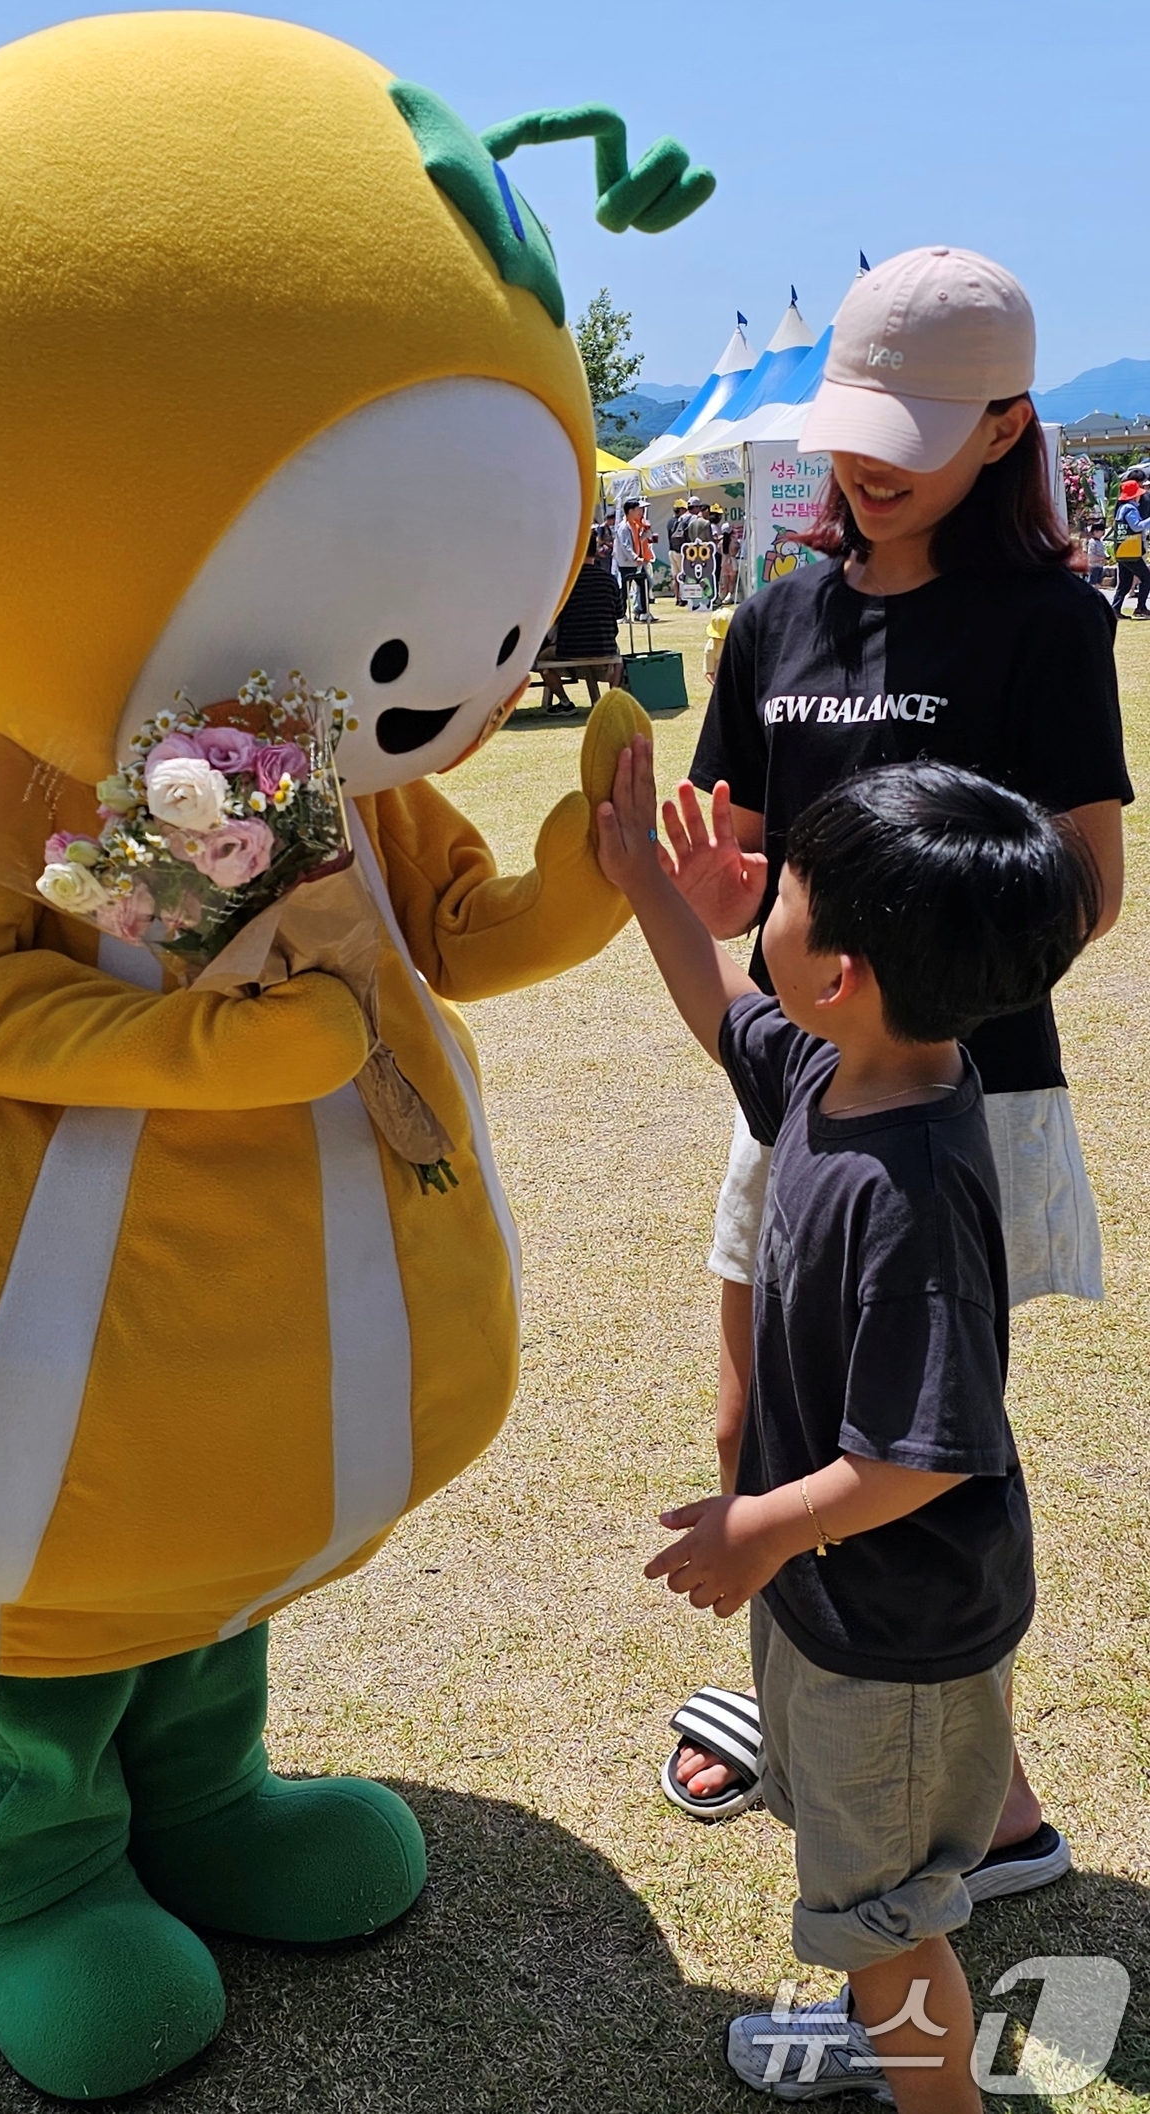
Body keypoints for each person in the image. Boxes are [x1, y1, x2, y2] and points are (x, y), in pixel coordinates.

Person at [667, 247, 1132, 1887]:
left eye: (919, 430)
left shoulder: (1048, 620)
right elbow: (735, 842)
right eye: (859, 419)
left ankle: (983, 1807)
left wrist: (925, 978)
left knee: (917, 1450)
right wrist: (726, 895)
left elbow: (1088, 874)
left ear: (1008, 431)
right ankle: (821, 1715)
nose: (873, 459)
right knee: (752, 1414)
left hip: (958, 1094)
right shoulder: (778, 612)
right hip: (799, 1076)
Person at [599, 742, 1098, 2111]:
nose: (764, 897)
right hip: (862, 1609)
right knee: (883, 1887)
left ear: (842, 975)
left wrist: (754, 1529)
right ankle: (894, 2026)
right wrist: (647, 881)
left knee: (885, 1922)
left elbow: (912, 1456)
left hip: (892, 1626)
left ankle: (927, 2078)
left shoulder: (915, 1187)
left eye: (789, 888)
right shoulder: (848, 1065)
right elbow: (722, 1009)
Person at [539, 556, 623, 711]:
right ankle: (612, 699)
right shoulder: (609, 579)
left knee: (541, 661)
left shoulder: (565, 581)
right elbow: (619, 613)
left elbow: (553, 615)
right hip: (604, 646)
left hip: (569, 647)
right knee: (619, 659)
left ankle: (565, 702)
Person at [1110, 479, 1150, 618]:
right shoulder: (1130, 508)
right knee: (1147, 578)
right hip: (1131, 551)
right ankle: (1141, 608)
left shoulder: (1121, 508)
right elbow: (1136, 526)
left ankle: (1115, 609)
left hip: (1122, 550)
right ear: (1135, 496)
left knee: (1124, 582)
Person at [613, 497, 655, 620]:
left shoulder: (635, 525)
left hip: (636, 563)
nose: (640, 512)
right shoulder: (624, 526)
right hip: (627, 564)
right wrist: (635, 557)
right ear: (630, 511)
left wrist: (646, 533)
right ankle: (621, 615)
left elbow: (637, 541)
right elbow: (625, 545)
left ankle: (642, 612)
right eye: (638, 509)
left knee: (644, 584)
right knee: (625, 590)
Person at [667, 498, 690, 600]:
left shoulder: (670, 522)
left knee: (675, 576)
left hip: (671, 551)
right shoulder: (682, 521)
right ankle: (684, 597)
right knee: (683, 575)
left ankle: (677, 597)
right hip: (680, 551)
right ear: (681, 510)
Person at [1085, 519, 1107, 591]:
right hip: (1093, 566)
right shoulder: (1092, 542)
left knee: (1098, 584)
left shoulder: (1100, 542)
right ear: (1095, 532)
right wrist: (1101, 558)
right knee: (1092, 583)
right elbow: (1090, 556)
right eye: (1101, 531)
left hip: (1100, 566)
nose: (1102, 533)